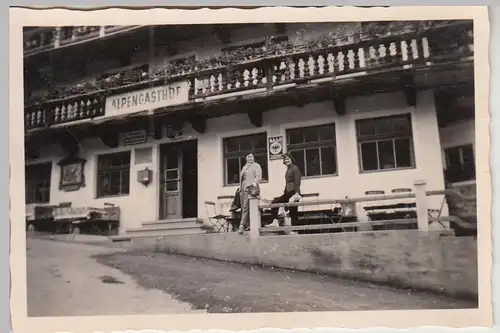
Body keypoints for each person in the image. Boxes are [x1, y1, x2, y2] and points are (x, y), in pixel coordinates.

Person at [267, 153, 302, 228]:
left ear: (291, 159)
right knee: (275, 202)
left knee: (293, 213)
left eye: (288, 159)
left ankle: (297, 230)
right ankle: (275, 221)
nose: (286, 161)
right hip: (288, 192)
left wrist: (297, 193)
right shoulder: (289, 169)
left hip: (293, 192)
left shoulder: (295, 168)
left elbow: (297, 182)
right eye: (285, 159)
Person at [238, 152, 263, 234]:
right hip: (243, 189)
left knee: (248, 207)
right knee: (244, 207)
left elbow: (258, 176)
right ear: (246, 158)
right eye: (248, 156)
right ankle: (247, 225)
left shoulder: (256, 166)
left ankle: (242, 225)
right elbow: (242, 179)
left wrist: (254, 183)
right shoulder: (244, 167)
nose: (250, 158)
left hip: (252, 189)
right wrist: (240, 188)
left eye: (252, 156)